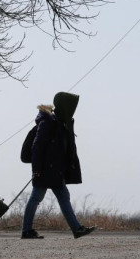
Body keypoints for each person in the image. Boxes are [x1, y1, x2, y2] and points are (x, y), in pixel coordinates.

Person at [21, 91, 96, 239]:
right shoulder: (48, 123)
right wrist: (36, 171)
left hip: (55, 171)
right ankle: (27, 230)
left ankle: (76, 229)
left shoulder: (61, 122)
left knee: (60, 196)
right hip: (45, 170)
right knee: (37, 198)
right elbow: (37, 147)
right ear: (65, 106)